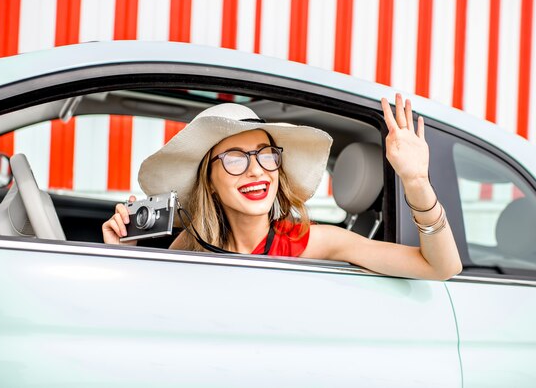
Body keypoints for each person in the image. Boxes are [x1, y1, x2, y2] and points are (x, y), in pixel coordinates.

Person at [102, 94, 462, 280]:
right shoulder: (192, 244)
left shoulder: (313, 240)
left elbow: (441, 267)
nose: (256, 171)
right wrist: (120, 256)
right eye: (234, 159)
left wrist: (416, 182)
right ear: (209, 183)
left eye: (266, 155)